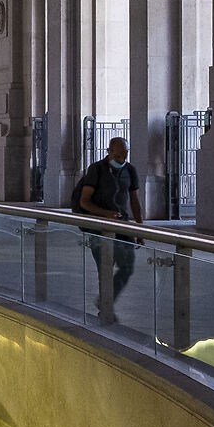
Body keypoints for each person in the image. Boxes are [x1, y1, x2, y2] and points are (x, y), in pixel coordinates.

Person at [74, 135, 142, 316]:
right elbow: (84, 202)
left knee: (127, 267)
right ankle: (105, 306)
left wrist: (140, 228)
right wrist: (105, 214)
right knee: (105, 268)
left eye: (125, 155)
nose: (122, 159)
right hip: (99, 227)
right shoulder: (96, 170)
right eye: (118, 156)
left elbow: (134, 200)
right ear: (109, 152)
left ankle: (105, 300)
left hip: (122, 225)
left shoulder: (130, 171)